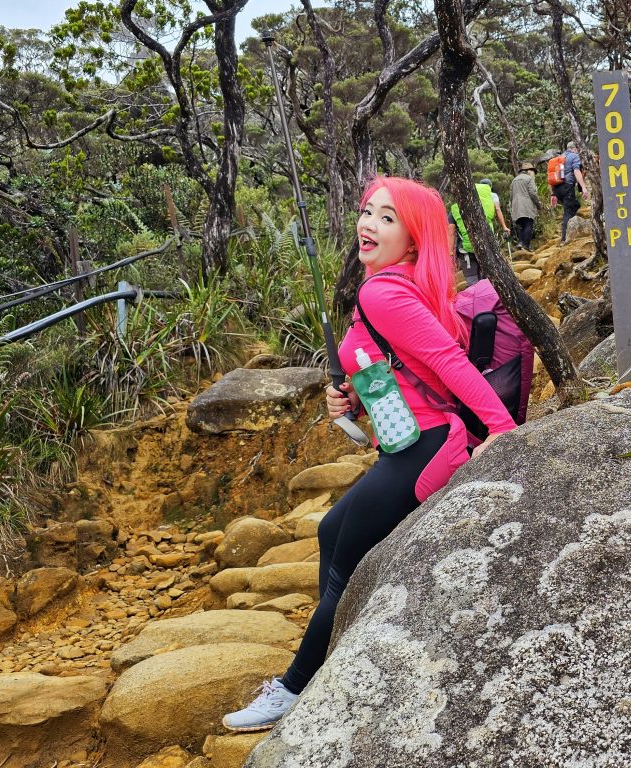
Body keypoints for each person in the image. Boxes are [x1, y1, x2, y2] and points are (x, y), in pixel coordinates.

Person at [222, 176, 517, 732]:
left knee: (344, 568)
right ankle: (334, 648)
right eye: (367, 212)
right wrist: (353, 395)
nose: (368, 224)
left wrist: (502, 431)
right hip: (406, 442)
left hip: (428, 448)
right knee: (331, 532)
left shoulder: (381, 292)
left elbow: (452, 369)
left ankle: (294, 689)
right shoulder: (398, 284)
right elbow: (408, 368)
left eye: (387, 218)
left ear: (413, 238)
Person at [447, 178, 510, 285]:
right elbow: (498, 210)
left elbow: (451, 232)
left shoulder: (455, 209)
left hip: (466, 250)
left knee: (472, 282)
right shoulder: (489, 201)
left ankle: (476, 296)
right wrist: (504, 227)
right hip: (487, 247)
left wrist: (450, 253)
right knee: (487, 281)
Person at [550, 141, 589, 246]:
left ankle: (569, 232)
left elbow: (551, 175)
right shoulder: (574, 156)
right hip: (567, 187)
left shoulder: (559, 158)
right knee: (568, 212)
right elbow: (577, 172)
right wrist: (584, 188)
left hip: (557, 189)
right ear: (575, 148)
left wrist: (553, 194)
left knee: (575, 205)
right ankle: (564, 239)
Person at [509, 162, 541, 251]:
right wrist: (538, 205)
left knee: (521, 225)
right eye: (533, 171)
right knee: (528, 224)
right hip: (527, 205)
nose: (534, 174)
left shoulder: (514, 180)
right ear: (529, 171)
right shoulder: (529, 179)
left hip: (516, 206)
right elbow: (533, 193)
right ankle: (525, 245)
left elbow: (511, 195)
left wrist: (512, 207)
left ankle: (520, 243)